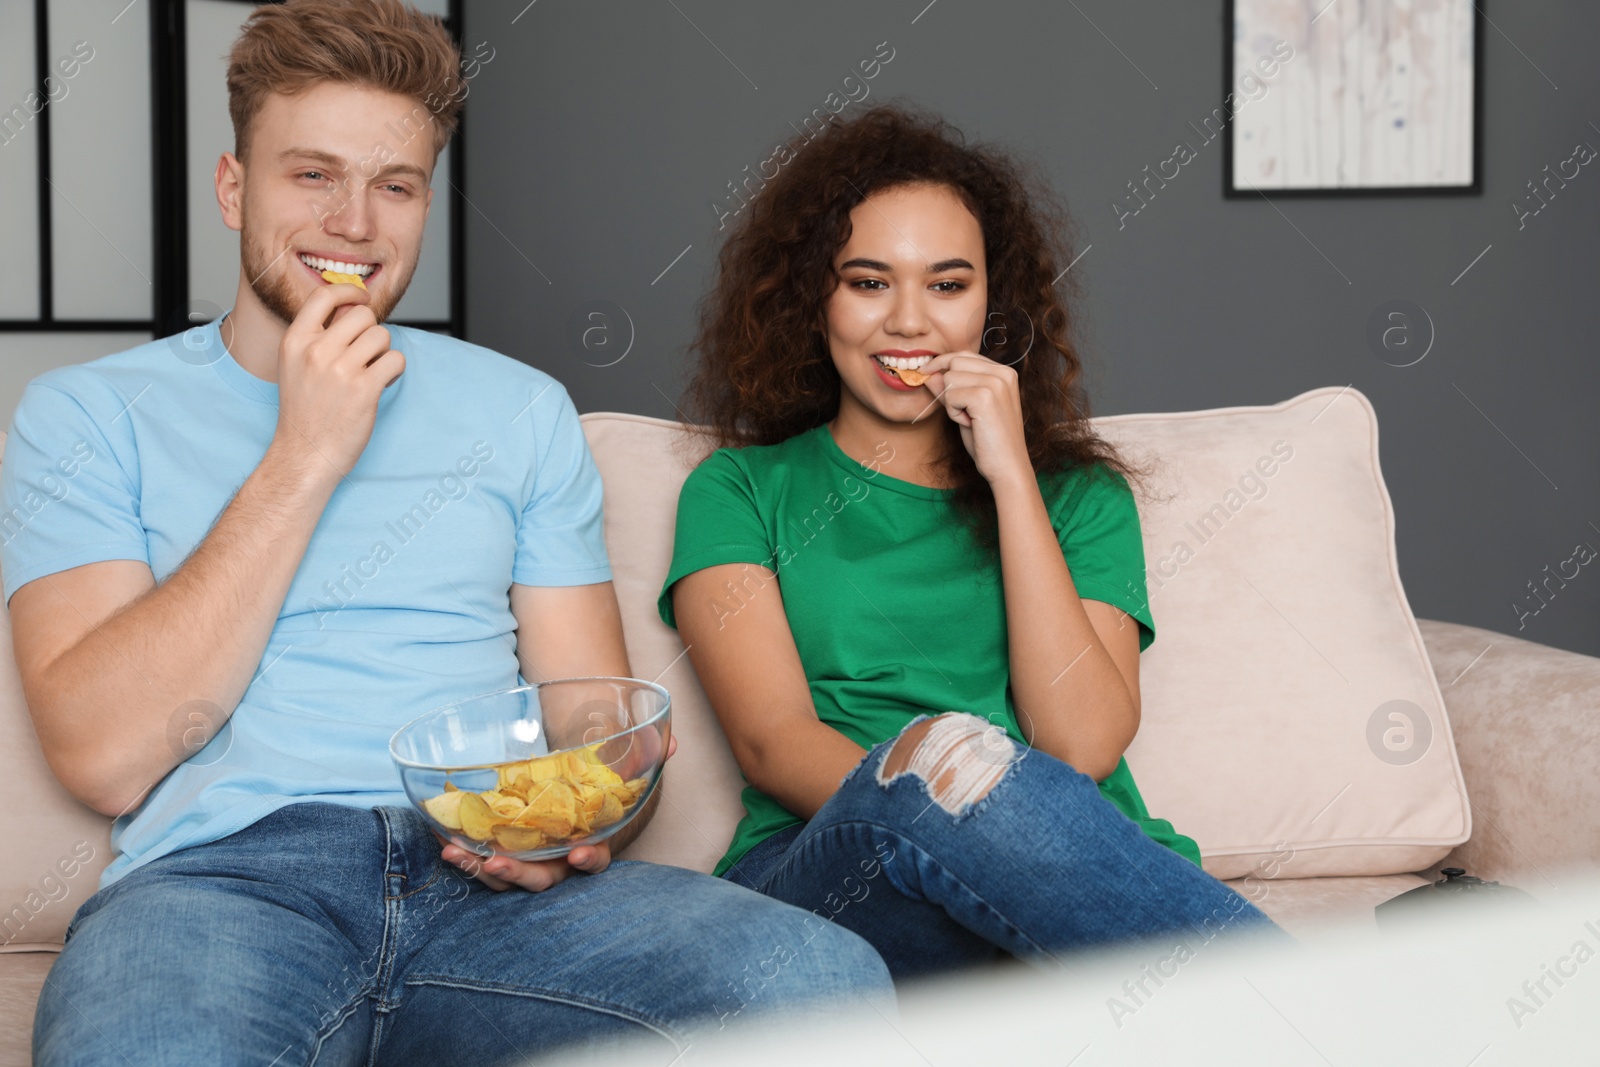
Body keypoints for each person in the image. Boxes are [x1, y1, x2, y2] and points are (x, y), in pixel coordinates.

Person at [5, 2, 890, 1062]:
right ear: (234, 189)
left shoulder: (518, 410)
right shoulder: (89, 414)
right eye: (312, 175)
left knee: (827, 983)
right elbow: (102, 755)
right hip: (223, 890)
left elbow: (592, 725)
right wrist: (305, 454)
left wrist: (573, 826)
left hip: (490, 886)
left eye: (395, 185)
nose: (354, 223)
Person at [659, 104, 1293, 982]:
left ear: (993, 306)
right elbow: (773, 740)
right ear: (818, 299)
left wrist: (1011, 479)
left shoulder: (1077, 497)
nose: (910, 323)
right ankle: (1331, 1015)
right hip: (834, 874)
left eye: (948, 285)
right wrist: (936, 794)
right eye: (869, 282)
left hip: (1047, 868)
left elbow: (1079, 746)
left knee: (989, 784)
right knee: (951, 764)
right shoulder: (738, 493)